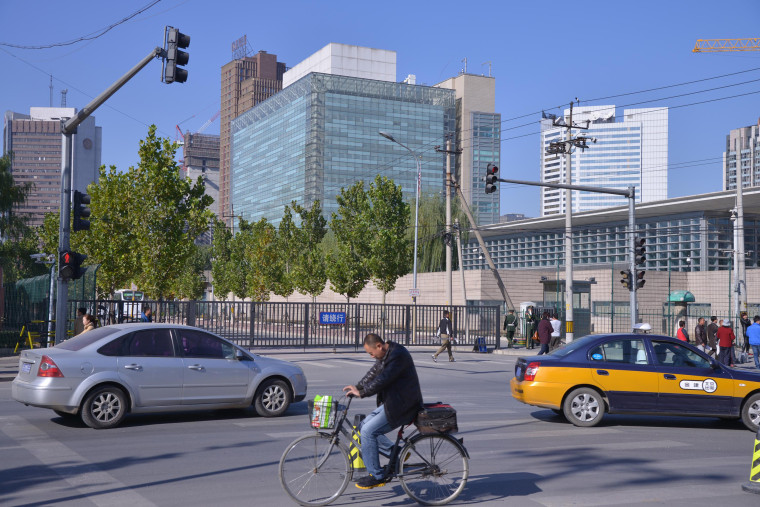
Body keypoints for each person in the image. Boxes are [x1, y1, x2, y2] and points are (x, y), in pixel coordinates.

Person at [343, 333, 422, 490]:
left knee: (367, 432)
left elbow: (383, 378)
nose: (372, 356)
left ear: (379, 346)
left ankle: (377, 476)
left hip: (404, 405)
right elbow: (374, 372)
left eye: (371, 353)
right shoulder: (388, 353)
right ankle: (397, 452)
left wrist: (363, 393)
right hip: (395, 402)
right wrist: (358, 387)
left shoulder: (398, 355)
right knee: (361, 427)